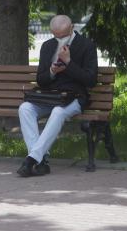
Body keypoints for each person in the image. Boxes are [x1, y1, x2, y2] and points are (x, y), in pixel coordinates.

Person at [17, 15, 98, 177]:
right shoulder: (47, 46)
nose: (60, 40)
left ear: (72, 27)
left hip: (74, 97)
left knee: (58, 112)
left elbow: (90, 81)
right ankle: (41, 161)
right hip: (50, 96)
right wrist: (52, 71)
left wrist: (69, 63)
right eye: (56, 36)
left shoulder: (86, 45)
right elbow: (41, 79)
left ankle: (31, 160)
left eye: (63, 36)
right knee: (25, 108)